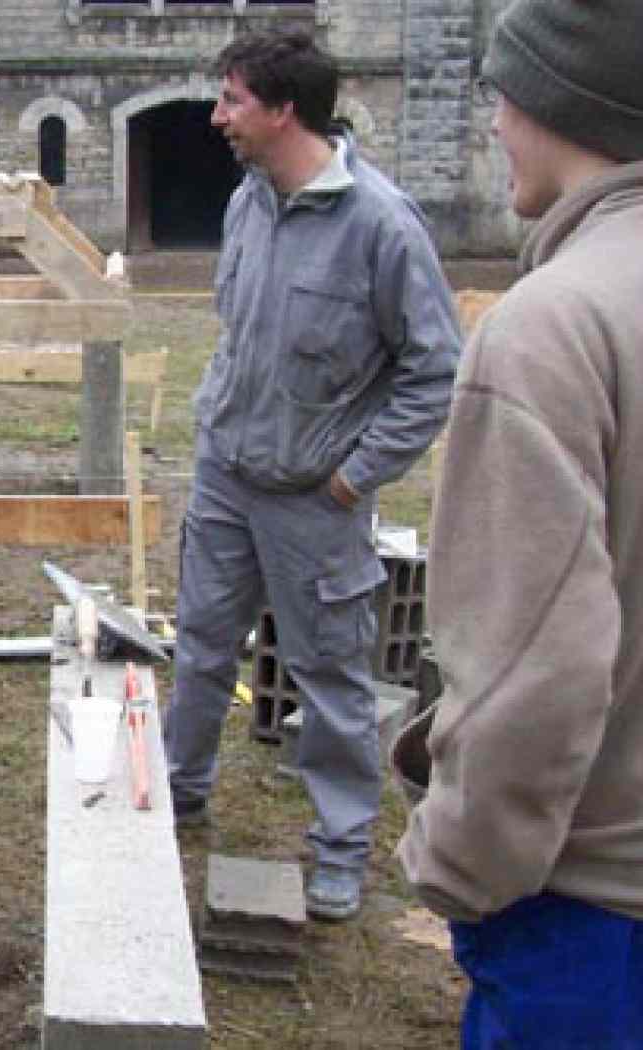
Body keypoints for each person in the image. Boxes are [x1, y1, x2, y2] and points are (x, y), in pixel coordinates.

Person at [162, 30, 459, 920]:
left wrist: (353, 477)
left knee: (329, 678)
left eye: (231, 100)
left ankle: (338, 848)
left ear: (285, 109)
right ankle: (182, 789)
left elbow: (434, 371)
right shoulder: (248, 203)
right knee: (203, 646)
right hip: (226, 476)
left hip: (314, 503)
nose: (217, 117)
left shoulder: (381, 225)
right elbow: (237, 328)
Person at [395, 0, 643, 1043]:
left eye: (503, 92)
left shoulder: (552, 327)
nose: (493, 122)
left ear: (555, 102)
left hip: (588, 916)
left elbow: (536, 669)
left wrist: (455, 866)